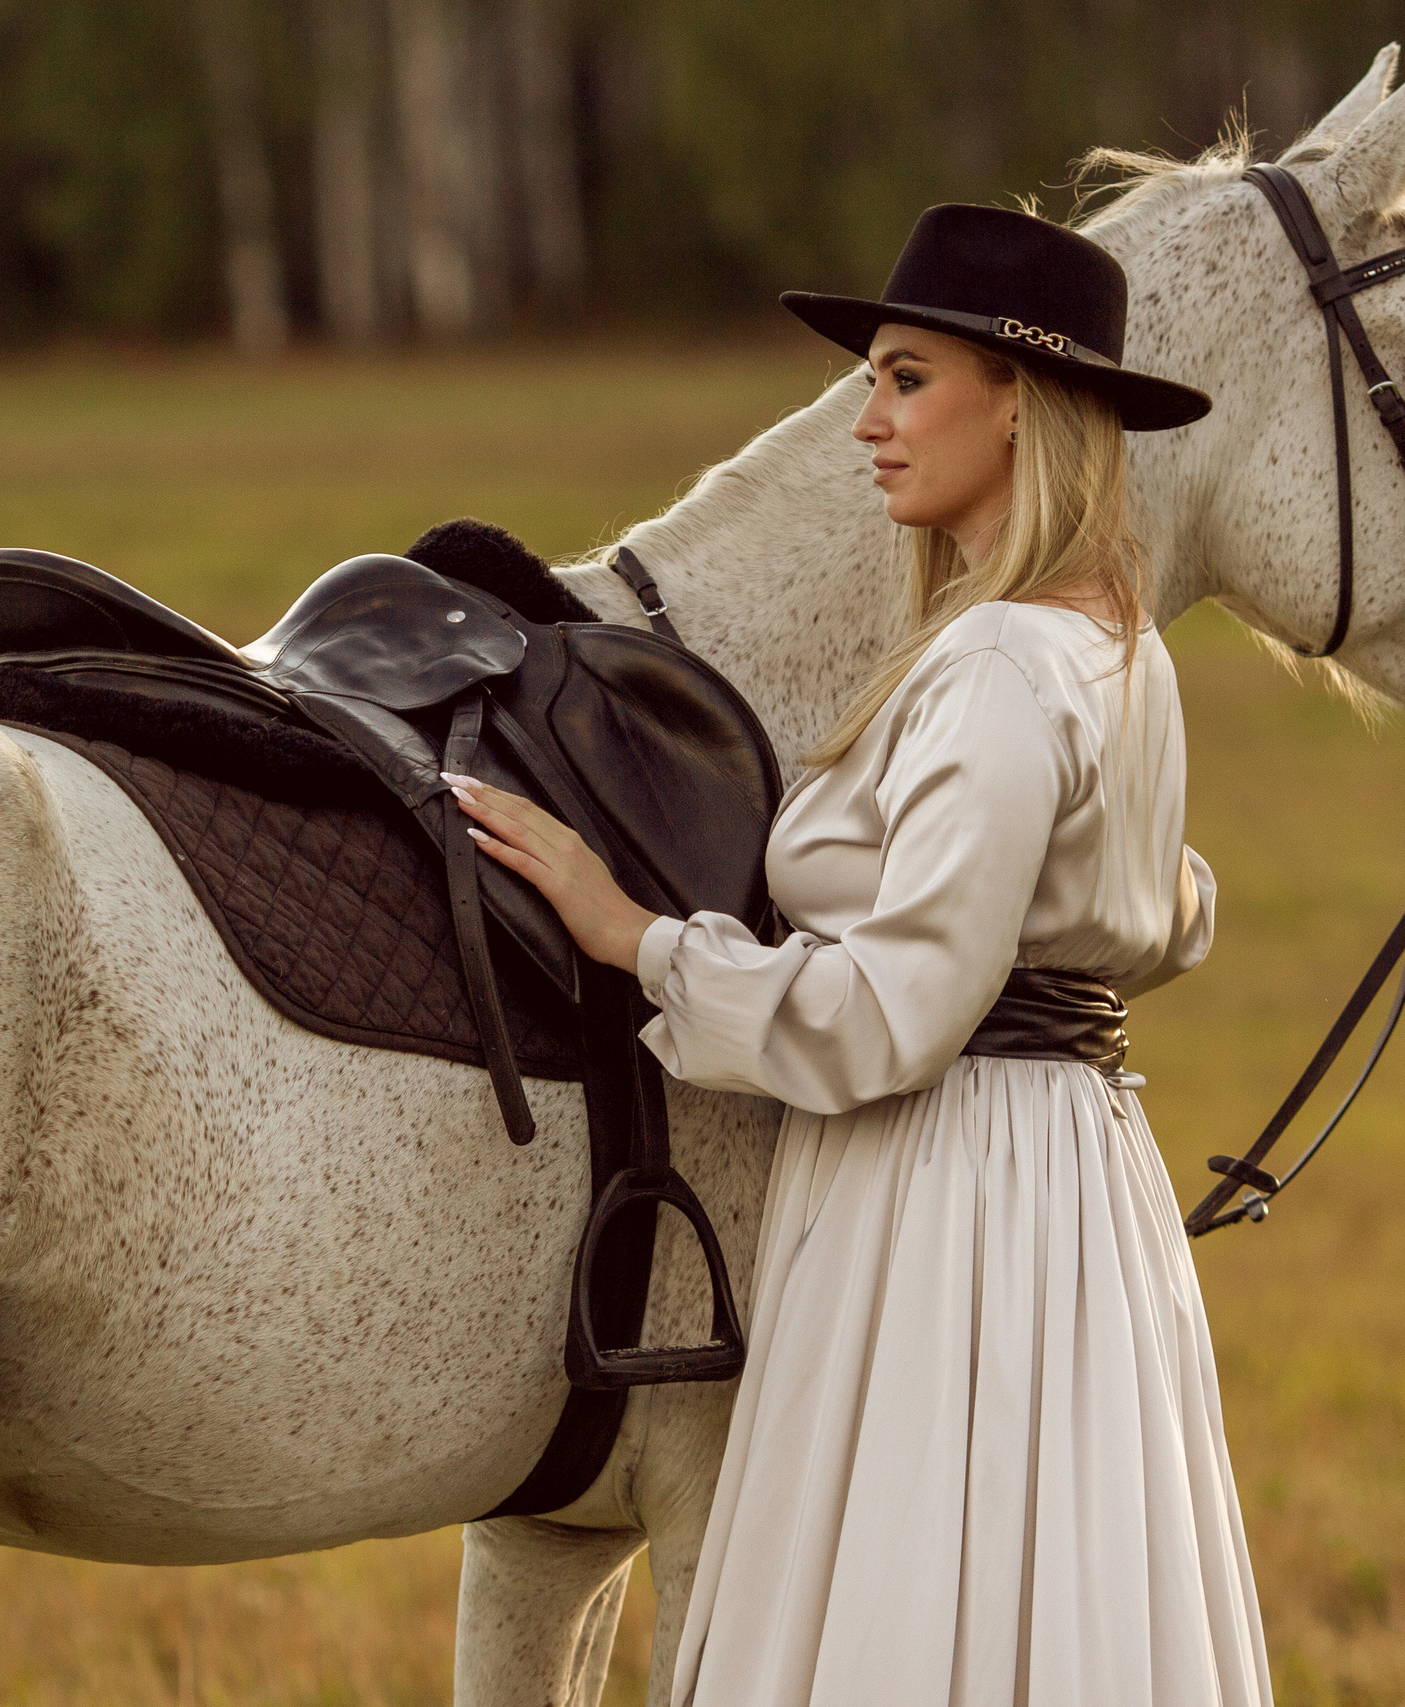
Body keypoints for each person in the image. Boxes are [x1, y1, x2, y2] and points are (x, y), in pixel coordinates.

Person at [447, 204, 1271, 1705]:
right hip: (1070, 1177)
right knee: (1039, 1593)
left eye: (904, 381)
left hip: (948, 1183)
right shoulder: (1121, 651)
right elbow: (1170, 910)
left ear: (1023, 407)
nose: (868, 426)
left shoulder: (1002, 667)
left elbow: (898, 1015)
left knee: (912, 1606)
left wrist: (640, 942)